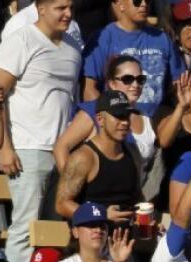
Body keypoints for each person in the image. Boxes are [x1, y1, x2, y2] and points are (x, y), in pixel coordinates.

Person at [0, 0, 84, 262]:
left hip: (63, 151)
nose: (68, 14)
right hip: (27, 148)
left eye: (70, 8)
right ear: (40, 9)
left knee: (55, 229)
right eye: (60, 8)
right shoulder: (21, 39)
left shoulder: (73, 46)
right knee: (25, 227)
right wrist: (5, 147)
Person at [53, 55, 156, 179]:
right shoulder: (94, 110)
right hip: (92, 194)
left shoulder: (146, 117)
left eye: (140, 79)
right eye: (128, 79)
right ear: (112, 83)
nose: (135, 85)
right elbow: (61, 147)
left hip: (129, 193)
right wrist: (70, 185)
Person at [82, 0, 184, 117]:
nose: (144, 4)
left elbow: (178, 84)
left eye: (148, 1)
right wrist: (110, 120)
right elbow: (88, 90)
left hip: (155, 125)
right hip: (117, 124)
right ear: (121, 5)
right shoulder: (103, 38)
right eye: (137, 1)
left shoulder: (162, 39)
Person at [55, 90, 143, 222]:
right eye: (118, 116)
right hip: (93, 236)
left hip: (125, 238)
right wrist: (101, 215)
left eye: (126, 115)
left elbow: (136, 197)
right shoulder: (84, 158)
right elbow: (62, 204)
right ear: (100, 119)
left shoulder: (132, 153)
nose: (124, 122)